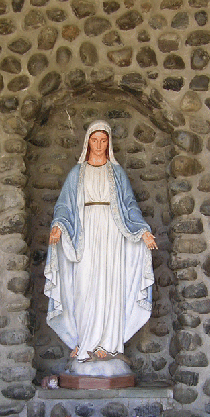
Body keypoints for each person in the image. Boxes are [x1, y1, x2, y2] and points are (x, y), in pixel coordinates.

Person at [44, 120, 157, 365]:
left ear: (109, 143)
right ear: (88, 142)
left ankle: (109, 344)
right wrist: (58, 226)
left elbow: (130, 206)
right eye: (94, 140)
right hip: (84, 233)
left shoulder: (117, 173)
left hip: (112, 234)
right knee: (84, 285)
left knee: (110, 284)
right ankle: (84, 341)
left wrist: (143, 231)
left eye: (103, 140)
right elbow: (64, 205)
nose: (98, 145)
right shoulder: (77, 173)